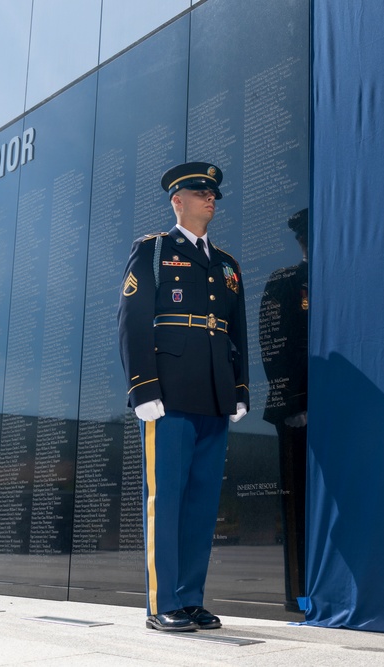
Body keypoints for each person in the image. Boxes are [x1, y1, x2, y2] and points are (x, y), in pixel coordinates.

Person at [118, 161, 249, 632]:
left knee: (201, 504)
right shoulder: (153, 251)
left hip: (213, 394)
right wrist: (143, 389)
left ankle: (190, 599)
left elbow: (237, 332)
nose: (210, 198)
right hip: (168, 395)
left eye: (213, 193)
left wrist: (239, 389)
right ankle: (162, 603)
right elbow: (133, 322)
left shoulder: (228, 265)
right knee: (165, 499)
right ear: (177, 200)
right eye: (200, 192)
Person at [259, 208, 308, 612]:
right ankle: (299, 591)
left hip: (344, 408)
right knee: (298, 506)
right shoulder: (284, 281)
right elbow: (271, 345)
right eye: (304, 236)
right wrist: (295, 402)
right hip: (298, 410)